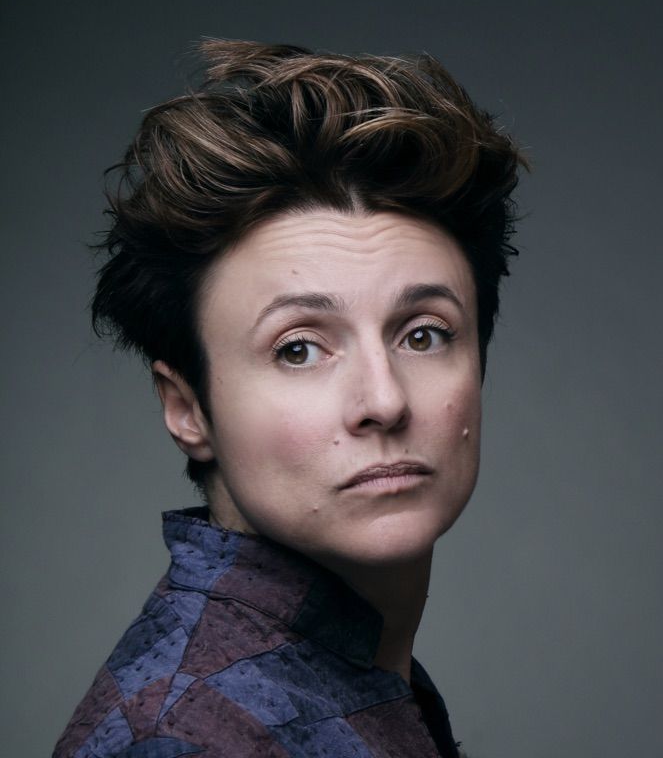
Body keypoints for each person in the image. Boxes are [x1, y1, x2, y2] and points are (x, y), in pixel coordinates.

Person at [53, 39, 526, 758]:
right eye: (298, 349)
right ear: (187, 408)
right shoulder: (183, 735)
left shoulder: (346, 677)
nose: (383, 400)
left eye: (423, 335)